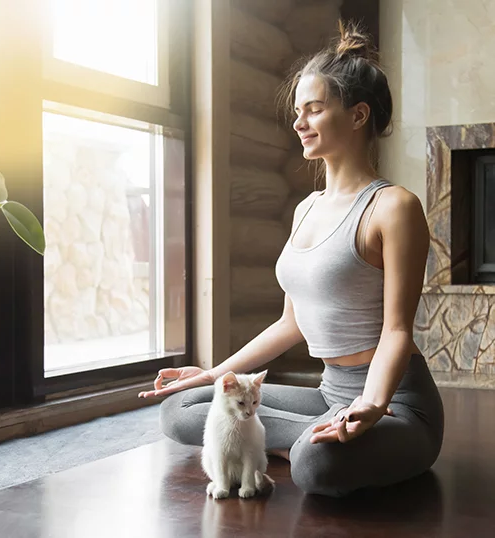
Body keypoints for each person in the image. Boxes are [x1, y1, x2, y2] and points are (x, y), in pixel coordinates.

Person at [138, 21, 444, 498]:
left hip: (397, 403)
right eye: (298, 111)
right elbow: (291, 324)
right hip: (328, 394)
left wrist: (372, 404)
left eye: (315, 110)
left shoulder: (394, 208)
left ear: (359, 115)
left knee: (314, 465)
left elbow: (397, 330)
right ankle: (298, 440)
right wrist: (217, 373)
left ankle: (302, 445)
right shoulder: (307, 208)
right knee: (184, 408)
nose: (299, 123)